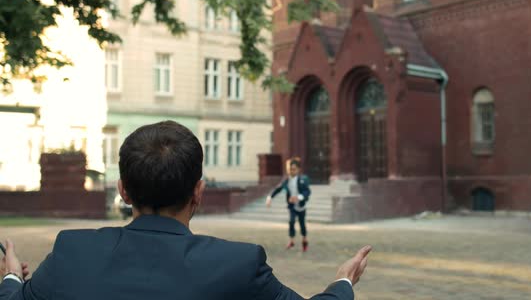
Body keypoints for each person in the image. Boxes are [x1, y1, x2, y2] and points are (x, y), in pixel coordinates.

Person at [0, 121, 371, 300]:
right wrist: (343, 282)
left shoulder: (70, 252)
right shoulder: (238, 265)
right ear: (200, 192)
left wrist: (12, 278)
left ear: (123, 191)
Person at [266, 158, 311, 252]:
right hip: (292, 206)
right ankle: (291, 240)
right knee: (291, 221)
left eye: (293, 169)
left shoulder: (302, 179)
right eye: (289, 169)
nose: (291, 171)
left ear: (298, 170)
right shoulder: (286, 180)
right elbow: (278, 189)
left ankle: (304, 240)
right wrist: (270, 197)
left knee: (302, 224)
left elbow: (307, 191)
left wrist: (299, 197)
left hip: (301, 206)